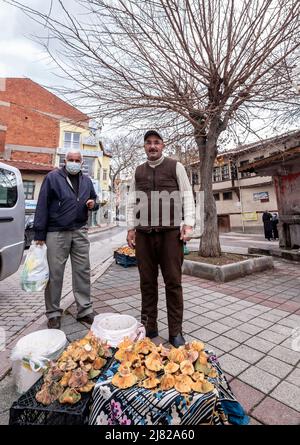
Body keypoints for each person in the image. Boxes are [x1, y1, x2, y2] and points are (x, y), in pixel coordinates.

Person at [127, 130, 195, 347]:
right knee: (147, 283)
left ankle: (176, 331)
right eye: (148, 143)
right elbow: (130, 202)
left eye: (156, 142)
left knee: (173, 283)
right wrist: (131, 228)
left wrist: (189, 223)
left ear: (163, 145)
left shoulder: (176, 167)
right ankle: (149, 326)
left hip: (170, 234)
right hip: (144, 235)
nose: (152, 146)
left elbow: (187, 196)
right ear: (144, 147)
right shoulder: (138, 171)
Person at [33, 149, 99, 329]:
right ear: (65, 160)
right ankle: (53, 313)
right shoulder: (53, 177)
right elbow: (42, 205)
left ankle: (84, 310)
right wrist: (39, 234)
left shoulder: (87, 181)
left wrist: (94, 204)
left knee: (83, 271)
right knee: (55, 275)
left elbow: (94, 199)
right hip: (56, 232)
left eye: (77, 160)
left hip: (80, 231)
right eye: (71, 159)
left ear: (82, 163)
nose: (74, 162)